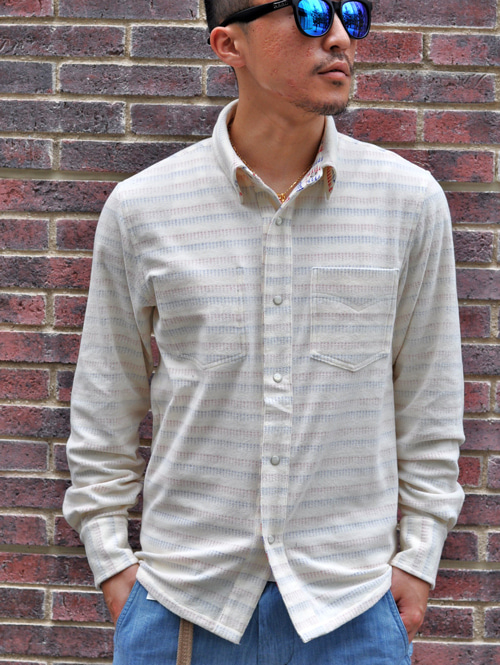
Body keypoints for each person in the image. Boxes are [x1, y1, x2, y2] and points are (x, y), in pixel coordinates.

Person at [63, 1, 465, 663]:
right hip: (183, 609)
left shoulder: (409, 202)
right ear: (230, 45)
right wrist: (111, 562)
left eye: (352, 14)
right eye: (310, 13)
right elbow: (106, 403)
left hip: (351, 611)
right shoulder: (142, 209)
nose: (340, 36)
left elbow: (430, 401)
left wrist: (419, 558)